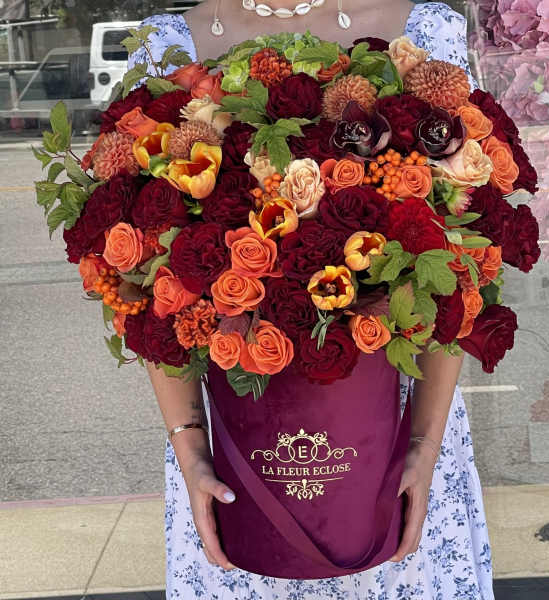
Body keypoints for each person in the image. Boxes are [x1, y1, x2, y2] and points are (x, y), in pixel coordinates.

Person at [130, 1, 494, 597]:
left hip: (402, 446)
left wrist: (426, 445)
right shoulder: (166, 46)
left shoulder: (424, 32)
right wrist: (190, 447)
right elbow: (149, 279)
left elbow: (459, 269)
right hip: (236, 456)